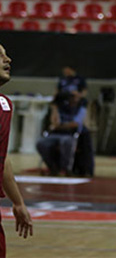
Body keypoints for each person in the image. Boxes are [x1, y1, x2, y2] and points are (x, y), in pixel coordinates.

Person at [0, 44, 34, 256]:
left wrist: (18, 202)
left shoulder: (4, 105)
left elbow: (2, 159)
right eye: (0, 55)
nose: (8, 59)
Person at [36, 90, 94, 176]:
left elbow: (75, 124)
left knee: (66, 142)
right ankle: (53, 167)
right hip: (56, 134)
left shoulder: (80, 108)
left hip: (70, 134)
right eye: (70, 97)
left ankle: (65, 168)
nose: (73, 100)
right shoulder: (60, 107)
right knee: (41, 143)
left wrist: (60, 126)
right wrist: (55, 107)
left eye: (75, 97)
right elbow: (54, 123)